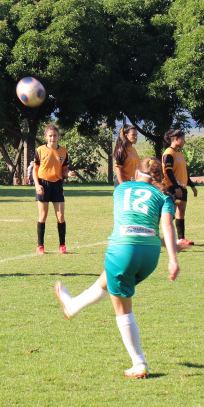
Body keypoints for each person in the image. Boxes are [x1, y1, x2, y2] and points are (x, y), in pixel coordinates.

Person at [54, 157, 179, 379]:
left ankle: (138, 362)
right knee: (108, 279)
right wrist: (172, 257)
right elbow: (167, 226)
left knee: (122, 307)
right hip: (150, 256)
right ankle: (72, 306)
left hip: (122, 251)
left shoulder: (121, 189)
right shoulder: (164, 196)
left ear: (136, 174)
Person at [33, 124, 76, 254]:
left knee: (60, 215)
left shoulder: (63, 151)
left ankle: (62, 245)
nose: (53, 138)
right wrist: (37, 185)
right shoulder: (40, 150)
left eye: (55, 136)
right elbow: (34, 170)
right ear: (46, 137)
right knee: (43, 215)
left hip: (57, 185)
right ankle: (40, 246)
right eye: (50, 136)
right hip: (43, 185)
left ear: (58, 137)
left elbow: (64, 169)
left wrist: (68, 173)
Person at [161, 129, 197, 248]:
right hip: (172, 187)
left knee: (181, 212)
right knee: (170, 213)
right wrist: (175, 187)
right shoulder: (168, 153)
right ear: (176, 139)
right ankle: (163, 238)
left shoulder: (180, 154)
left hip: (182, 187)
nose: (184, 141)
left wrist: (191, 186)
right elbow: (168, 171)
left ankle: (181, 238)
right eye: (183, 139)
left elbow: (184, 172)